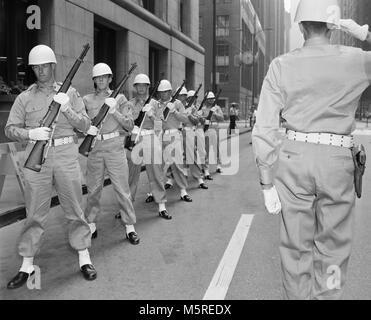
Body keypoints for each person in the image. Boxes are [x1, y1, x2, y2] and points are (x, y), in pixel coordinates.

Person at [252, 0, 371, 300]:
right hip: (337, 162)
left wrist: (266, 180)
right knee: (332, 249)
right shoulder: (356, 60)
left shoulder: (281, 65)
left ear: (301, 26)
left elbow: (265, 125)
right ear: (334, 25)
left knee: (295, 250)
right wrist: (364, 34)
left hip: (294, 160)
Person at [5, 45, 97, 289]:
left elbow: (86, 125)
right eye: (35, 67)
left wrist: (67, 108)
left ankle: (84, 258)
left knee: (75, 209)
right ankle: (26, 265)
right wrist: (30, 133)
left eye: (44, 66)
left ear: (53, 66)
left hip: (66, 154)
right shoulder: (25, 97)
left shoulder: (72, 94)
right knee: (34, 213)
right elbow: (9, 129)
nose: (40, 71)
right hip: (37, 158)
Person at [83, 63, 140, 245]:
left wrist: (114, 110)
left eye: (104, 77)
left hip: (115, 146)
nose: (101, 80)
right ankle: (91, 224)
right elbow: (81, 124)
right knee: (93, 190)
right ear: (94, 80)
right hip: (95, 147)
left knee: (122, 189)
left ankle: (129, 226)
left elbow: (129, 125)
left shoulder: (121, 99)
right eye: (97, 78)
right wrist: (88, 129)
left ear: (110, 79)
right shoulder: (87, 100)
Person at [126, 74, 172, 220]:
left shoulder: (156, 104)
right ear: (135, 87)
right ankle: (127, 206)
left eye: (143, 85)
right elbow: (125, 123)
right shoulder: (129, 104)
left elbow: (162, 125)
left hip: (151, 137)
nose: (140, 88)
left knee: (156, 172)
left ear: (148, 87)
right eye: (138, 85)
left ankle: (161, 205)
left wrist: (152, 115)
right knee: (131, 174)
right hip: (135, 138)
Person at [157, 80, 193, 203]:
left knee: (178, 164)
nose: (163, 95)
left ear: (170, 92)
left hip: (175, 134)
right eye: (161, 92)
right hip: (162, 136)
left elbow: (185, 119)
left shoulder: (177, 103)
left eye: (166, 92)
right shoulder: (157, 104)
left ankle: (183, 191)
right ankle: (157, 192)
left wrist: (174, 112)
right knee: (161, 165)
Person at [182, 89, 208, 190]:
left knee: (193, 155)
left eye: (195, 98)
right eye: (190, 98)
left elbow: (197, 121)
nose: (193, 99)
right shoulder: (181, 107)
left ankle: (199, 178)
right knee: (179, 156)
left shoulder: (193, 109)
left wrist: (190, 115)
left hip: (191, 131)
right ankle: (175, 178)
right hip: (180, 132)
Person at [200, 92, 224, 180]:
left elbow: (222, 118)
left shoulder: (217, 108)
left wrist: (214, 113)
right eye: (209, 98)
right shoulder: (203, 108)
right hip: (206, 129)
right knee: (205, 150)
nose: (211, 100)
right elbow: (199, 118)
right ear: (206, 99)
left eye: (212, 98)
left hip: (214, 129)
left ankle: (218, 165)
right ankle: (206, 169)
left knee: (216, 148)